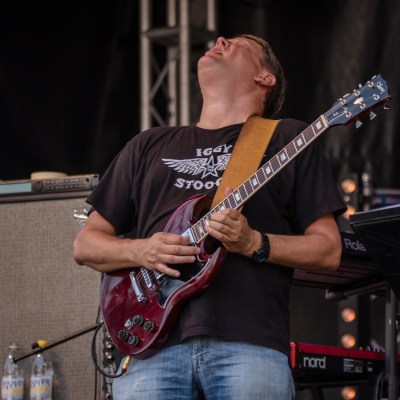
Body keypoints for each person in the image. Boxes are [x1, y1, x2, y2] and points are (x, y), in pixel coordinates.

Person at [73, 34, 346, 400]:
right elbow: (86, 245)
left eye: (239, 42)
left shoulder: (288, 138)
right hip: (152, 346)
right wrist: (142, 251)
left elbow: (328, 250)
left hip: (249, 344)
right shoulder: (148, 144)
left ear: (264, 77)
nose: (220, 39)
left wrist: (254, 242)